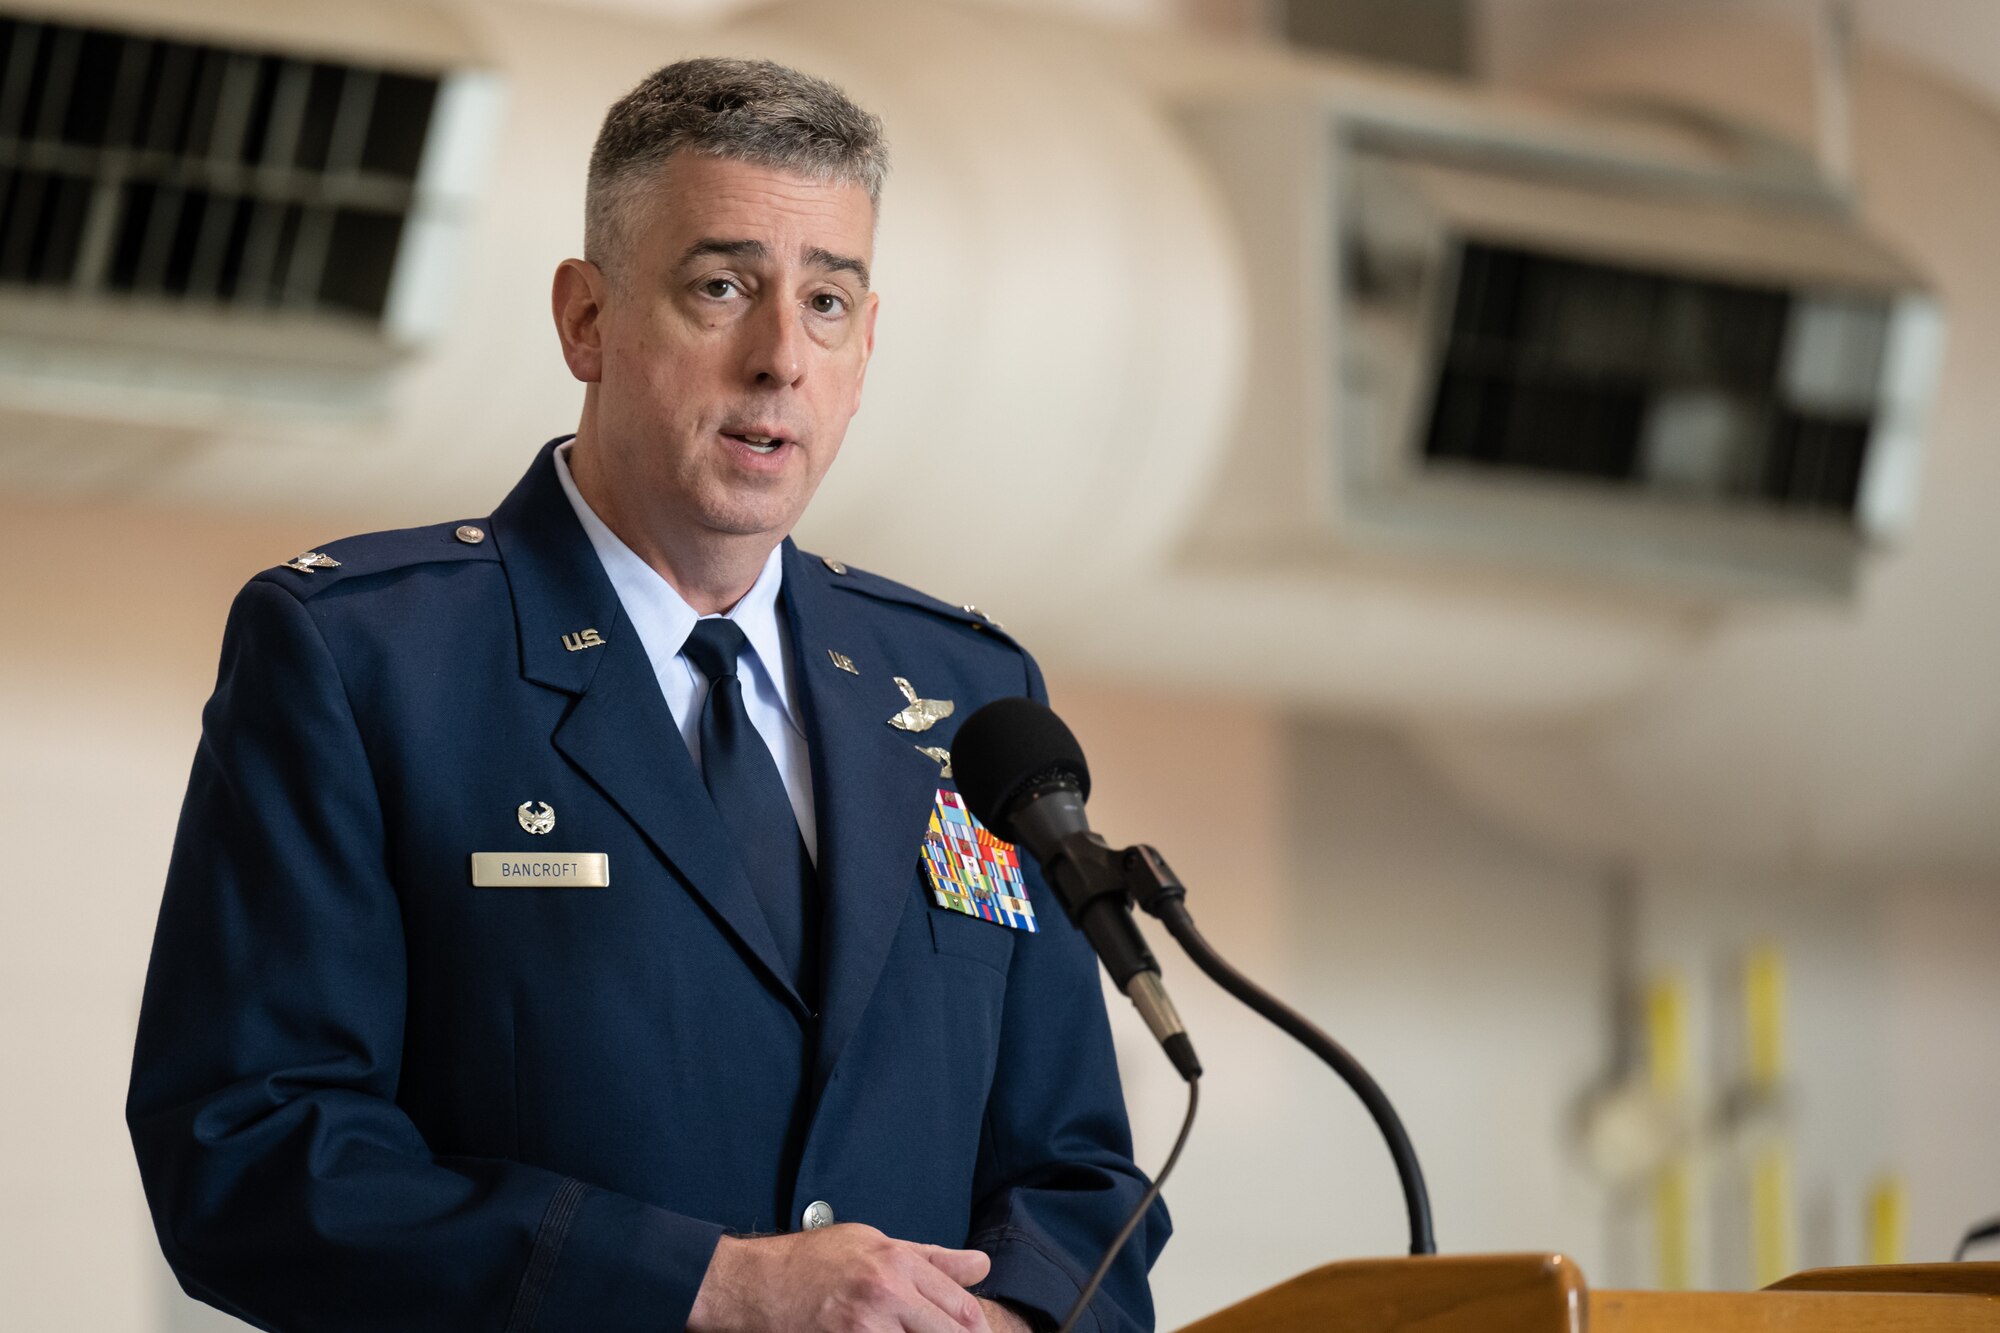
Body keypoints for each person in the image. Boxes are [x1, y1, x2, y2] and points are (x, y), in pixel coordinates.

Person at [126, 57, 1166, 1333]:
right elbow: (249, 1154)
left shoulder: (967, 696)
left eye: (827, 301)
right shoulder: (360, 659)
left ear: (867, 343)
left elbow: (1075, 1171)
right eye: (719, 287)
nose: (780, 356)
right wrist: (707, 1288)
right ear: (584, 320)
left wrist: (1015, 1318)